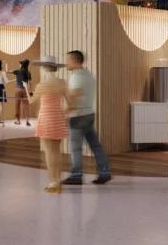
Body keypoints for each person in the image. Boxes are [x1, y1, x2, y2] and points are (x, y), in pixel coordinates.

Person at [63, 50, 112, 186]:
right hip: (89, 114)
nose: (66, 63)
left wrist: (65, 111)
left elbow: (74, 96)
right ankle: (104, 172)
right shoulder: (89, 75)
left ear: (75, 60)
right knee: (95, 145)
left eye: (68, 60)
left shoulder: (76, 77)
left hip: (78, 116)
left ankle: (76, 175)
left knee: (76, 147)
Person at [31, 56, 69, 193]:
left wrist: (25, 86)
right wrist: (64, 114)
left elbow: (31, 100)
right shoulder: (62, 83)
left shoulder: (42, 85)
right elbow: (70, 103)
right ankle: (58, 180)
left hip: (46, 118)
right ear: (55, 68)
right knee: (57, 152)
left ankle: (53, 182)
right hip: (58, 117)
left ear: (44, 68)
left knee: (49, 152)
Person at [13, 59, 32, 126]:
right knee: (26, 105)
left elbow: (8, 72)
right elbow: (29, 83)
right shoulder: (28, 72)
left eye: (20, 63)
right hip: (25, 90)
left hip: (18, 89)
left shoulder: (18, 71)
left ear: (22, 64)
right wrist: (30, 91)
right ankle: (27, 120)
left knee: (17, 105)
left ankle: (18, 121)